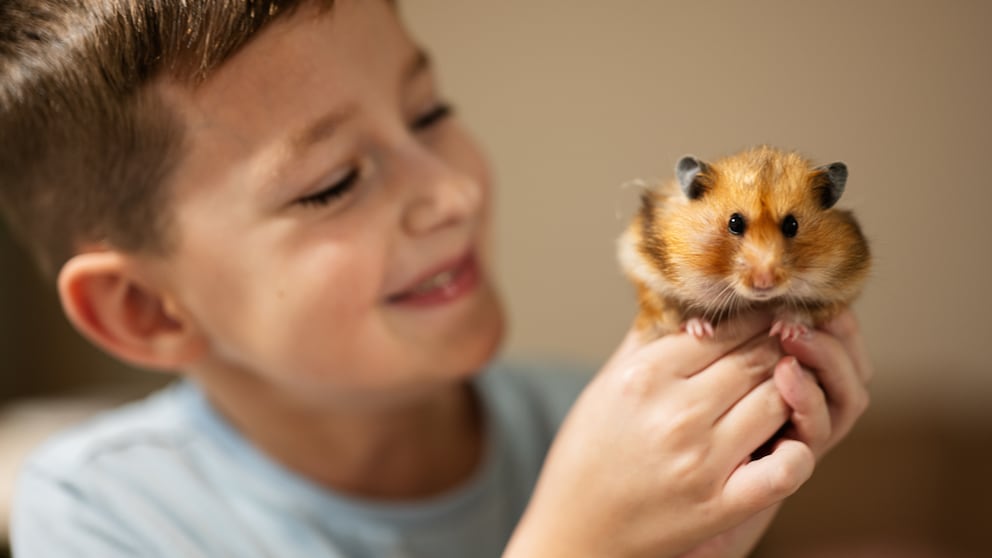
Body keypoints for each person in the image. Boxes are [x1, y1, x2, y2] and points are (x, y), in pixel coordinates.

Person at [0, 1, 871, 556]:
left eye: (430, 112)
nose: (451, 191)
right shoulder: (96, 512)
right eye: (332, 182)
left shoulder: (600, 416)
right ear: (146, 308)